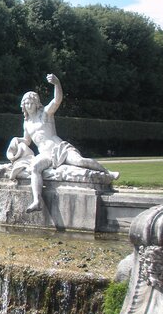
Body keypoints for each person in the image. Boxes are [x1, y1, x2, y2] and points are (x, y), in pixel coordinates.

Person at [19, 74, 118, 213]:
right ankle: (37, 201)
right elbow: (27, 141)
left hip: (59, 148)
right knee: (35, 167)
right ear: (23, 105)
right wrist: (16, 142)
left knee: (79, 161)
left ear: (36, 104)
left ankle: (108, 173)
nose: (29, 106)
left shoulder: (45, 114)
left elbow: (57, 100)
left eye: (31, 103)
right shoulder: (27, 123)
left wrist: (57, 84)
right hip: (44, 154)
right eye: (26, 103)